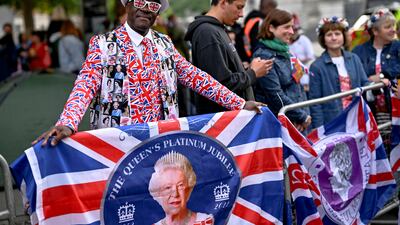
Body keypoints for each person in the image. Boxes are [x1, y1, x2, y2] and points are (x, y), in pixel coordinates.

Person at [33, 0, 264, 146]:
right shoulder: (103, 44)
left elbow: (196, 77)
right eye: (140, 2)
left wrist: (239, 103)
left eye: (153, 5)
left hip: (161, 142)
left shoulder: (164, 43)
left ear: (157, 14)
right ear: (128, 4)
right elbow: (85, 85)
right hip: (118, 144)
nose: (146, 8)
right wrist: (68, 122)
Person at [185, 0, 273, 115]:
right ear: (223, 3)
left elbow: (225, 74)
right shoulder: (207, 33)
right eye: (239, 7)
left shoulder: (217, 29)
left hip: (232, 119)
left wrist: (247, 69)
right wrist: (253, 73)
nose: (242, 14)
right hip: (223, 122)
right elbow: (220, 86)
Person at [253, 8, 311, 132]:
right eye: (286, 27)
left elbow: (298, 87)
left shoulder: (285, 51)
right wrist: (301, 116)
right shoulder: (264, 56)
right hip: (280, 124)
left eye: (292, 27)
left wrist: (303, 114)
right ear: (271, 28)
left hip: (295, 121)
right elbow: (275, 95)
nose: (291, 31)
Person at [308, 17, 369, 128]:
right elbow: (315, 103)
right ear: (323, 39)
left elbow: (365, 84)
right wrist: (319, 130)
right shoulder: (316, 67)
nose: (334, 38)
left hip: (357, 118)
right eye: (329, 34)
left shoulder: (354, 58)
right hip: (333, 122)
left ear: (344, 36)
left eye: (337, 33)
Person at [352, 8, 399, 117]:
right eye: (388, 27)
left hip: (394, 108)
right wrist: (367, 80)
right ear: (375, 31)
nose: (393, 30)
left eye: (393, 26)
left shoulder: (398, 47)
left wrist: (382, 75)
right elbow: (355, 77)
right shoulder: (359, 51)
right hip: (369, 110)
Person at [149, 151, 214, 225]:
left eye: (180, 185)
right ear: (158, 194)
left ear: (188, 189)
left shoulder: (206, 221)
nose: (175, 194)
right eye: (168, 187)